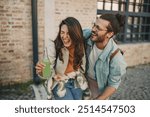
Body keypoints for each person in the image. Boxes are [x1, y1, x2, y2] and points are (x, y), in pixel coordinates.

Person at [35, 17, 90, 100]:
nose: (64, 36)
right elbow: (46, 72)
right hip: (60, 83)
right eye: (62, 32)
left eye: (68, 33)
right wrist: (42, 71)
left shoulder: (80, 45)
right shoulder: (53, 46)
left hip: (76, 81)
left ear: (75, 34)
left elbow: (82, 68)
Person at [83, 13, 127, 100]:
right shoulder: (88, 36)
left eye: (98, 28)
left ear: (109, 34)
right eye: (94, 25)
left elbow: (113, 85)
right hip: (83, 82)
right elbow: (73, 33)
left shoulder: (116, 58)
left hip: (99, 90)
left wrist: (99, 100)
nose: (93, 29)